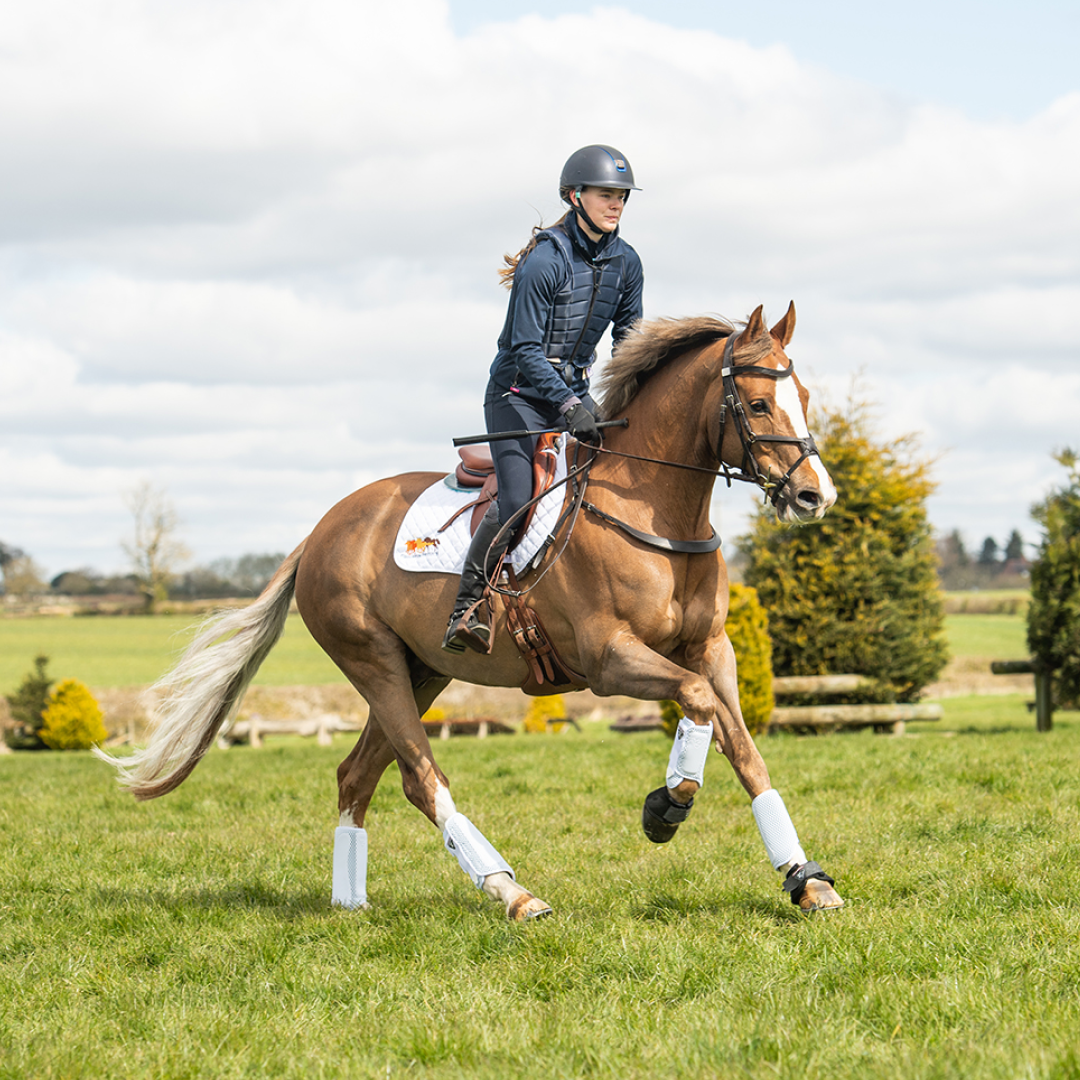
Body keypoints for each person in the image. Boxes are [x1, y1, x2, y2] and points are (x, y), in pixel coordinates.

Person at [442, 144, 645, 654]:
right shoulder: (545, 260)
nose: (616, 204)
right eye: (606, 194)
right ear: (575, 196)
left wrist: (627, 399)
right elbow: (525, 350)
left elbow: (628, 343)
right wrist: (570, 406)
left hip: (573, 395)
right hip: (517, 396)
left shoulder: (627, 262)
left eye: (622, 196)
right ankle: (467, 606)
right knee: (519, 498)